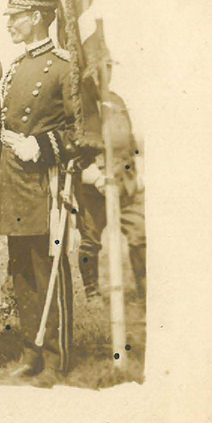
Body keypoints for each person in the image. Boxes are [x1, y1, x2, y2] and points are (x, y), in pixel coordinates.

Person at [0, 0, 84, 379]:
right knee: (21, 269)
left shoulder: (64, 65)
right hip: (14, 180)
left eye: (16, 16)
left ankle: (56, 355)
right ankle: (31, 352)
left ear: (36, 17)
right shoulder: (15, 66)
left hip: (44, 182)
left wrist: (41, 146)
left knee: (47, 266)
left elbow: (80, 130)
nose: (9, 23)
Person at [74, 82, 146, 301]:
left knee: (140, 235)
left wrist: (136, 171)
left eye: (107, 66)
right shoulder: (79, 104)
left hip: (124, 181)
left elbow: (131, 142)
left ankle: (145, 291)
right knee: (90, 240)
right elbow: (75, 147)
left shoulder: (116, 100)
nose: (104, 73)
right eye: (98, 68)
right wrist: (95, 177)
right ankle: (92, 293)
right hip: (94, 185)